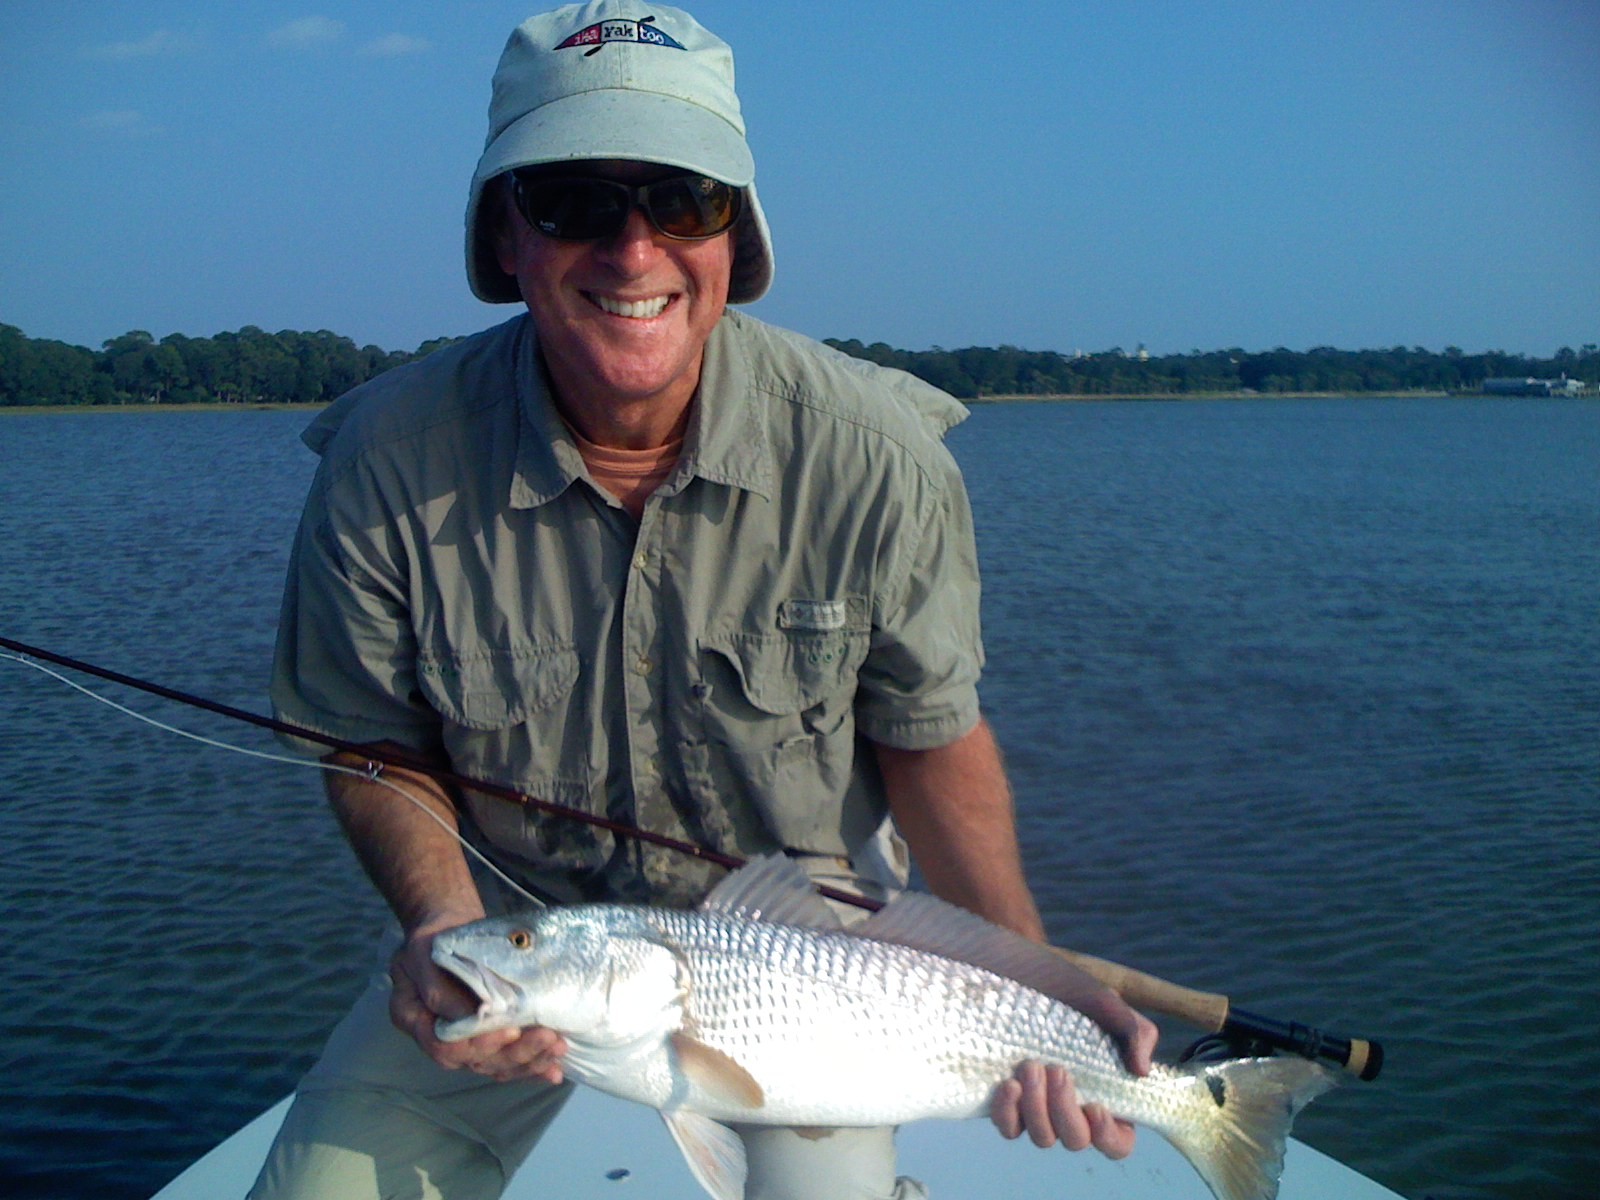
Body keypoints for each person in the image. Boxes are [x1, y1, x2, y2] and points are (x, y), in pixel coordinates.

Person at [252, 2, 1157, 1197]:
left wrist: (1027, 982)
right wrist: (439, 929)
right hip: (513, 932)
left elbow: (930, 740)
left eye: (683, 200)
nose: (633, 252)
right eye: (573, 199)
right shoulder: (384, 464)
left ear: (738, 233)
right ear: (505, 233)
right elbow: (374, 742)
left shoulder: (879, 459)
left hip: (813, 960)